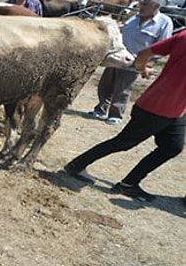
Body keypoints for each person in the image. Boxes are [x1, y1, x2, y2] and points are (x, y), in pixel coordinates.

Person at [63, 30, 185, 203]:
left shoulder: (183, 35)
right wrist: (142, 67)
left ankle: (129, 183)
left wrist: (141, 67)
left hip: (175, 110)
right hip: (158, 108)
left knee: (172, 147)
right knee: (123, 142)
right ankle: (76, 165)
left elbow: (145, 53)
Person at [91, 0, 173, 125]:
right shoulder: (135, 17)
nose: (141, 6)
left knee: (122, 88)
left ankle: (115, 114)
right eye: (142, 3)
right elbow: (123, 29)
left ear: (156, 7)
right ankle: (101, 109)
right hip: (118, 55)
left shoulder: (164, 22)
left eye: (145, 4)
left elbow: (162, 45)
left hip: (135, 60)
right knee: (106, 84)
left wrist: (150, 63)